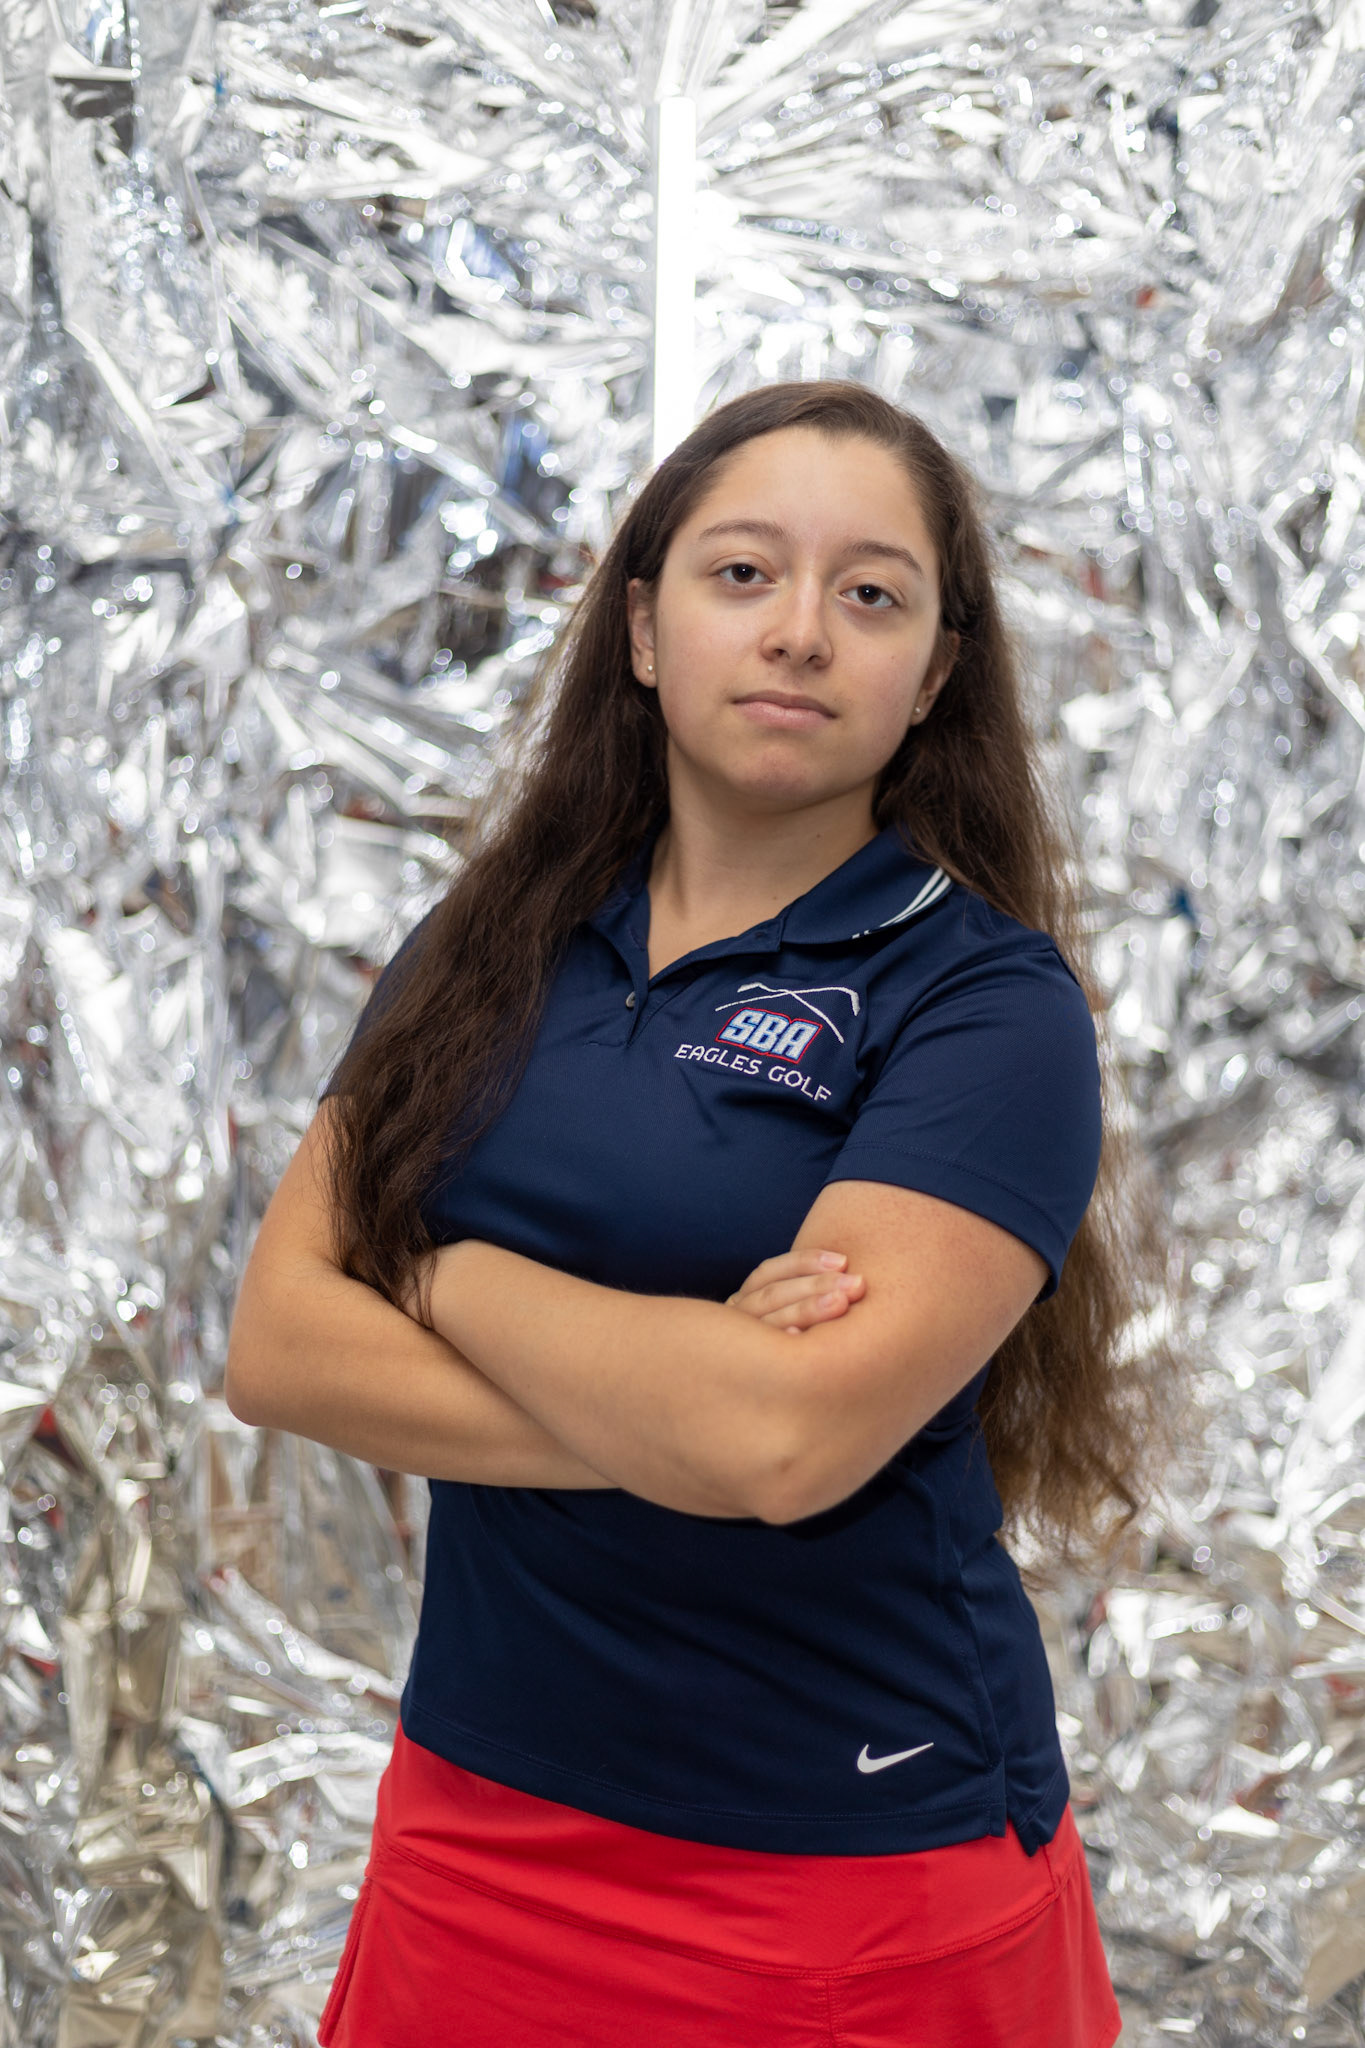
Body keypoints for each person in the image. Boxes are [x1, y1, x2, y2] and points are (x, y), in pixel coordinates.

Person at [227, 380, 1168, 2046]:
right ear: (644, 626)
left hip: (842, 1867)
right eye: (742, 574)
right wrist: (677, 1406)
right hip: (479, 1822)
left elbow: (782, 1449)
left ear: (933, 672)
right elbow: (284, 1345)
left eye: (868, 594)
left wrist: (436, 1272)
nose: (799, 631)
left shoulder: (986, 1008)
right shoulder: (492, 940)